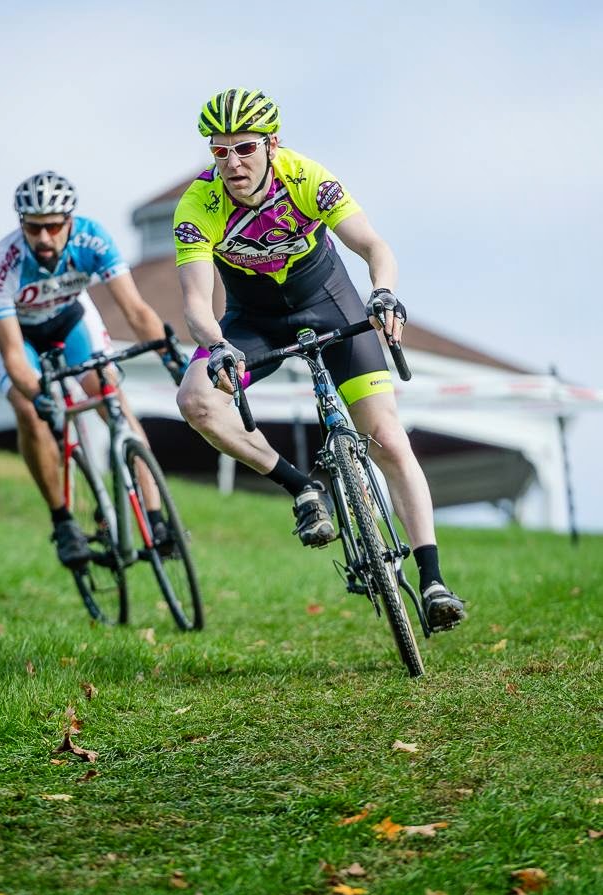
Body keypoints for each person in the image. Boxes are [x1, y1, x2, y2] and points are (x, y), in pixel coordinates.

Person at [173, 88, 465, 631]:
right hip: (252, 321)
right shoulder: (198, 206)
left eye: (245, 148)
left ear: (272, 144)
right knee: (195, 400)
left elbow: (374, 246)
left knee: (387, 436)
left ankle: (433, 580)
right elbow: (195, 302)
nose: (233, 163)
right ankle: (302, 487)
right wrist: (218, 346)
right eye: (220, 151)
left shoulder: (306, 177)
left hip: (329, 302)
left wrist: (383, 293)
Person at [0, 170, 180, 569]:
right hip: (17, 333)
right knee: (29, 411)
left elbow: (136, 311)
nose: (44, 237)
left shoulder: (92, 239)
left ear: (70, 221)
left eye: (53, 226)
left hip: (68, 319)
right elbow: (14, 356)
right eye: (34, 227)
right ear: (22, 224)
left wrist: (170, 357)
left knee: (109, 393)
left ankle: (155, 518)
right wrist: (38, 395)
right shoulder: (0, 266)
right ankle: (63, 522)